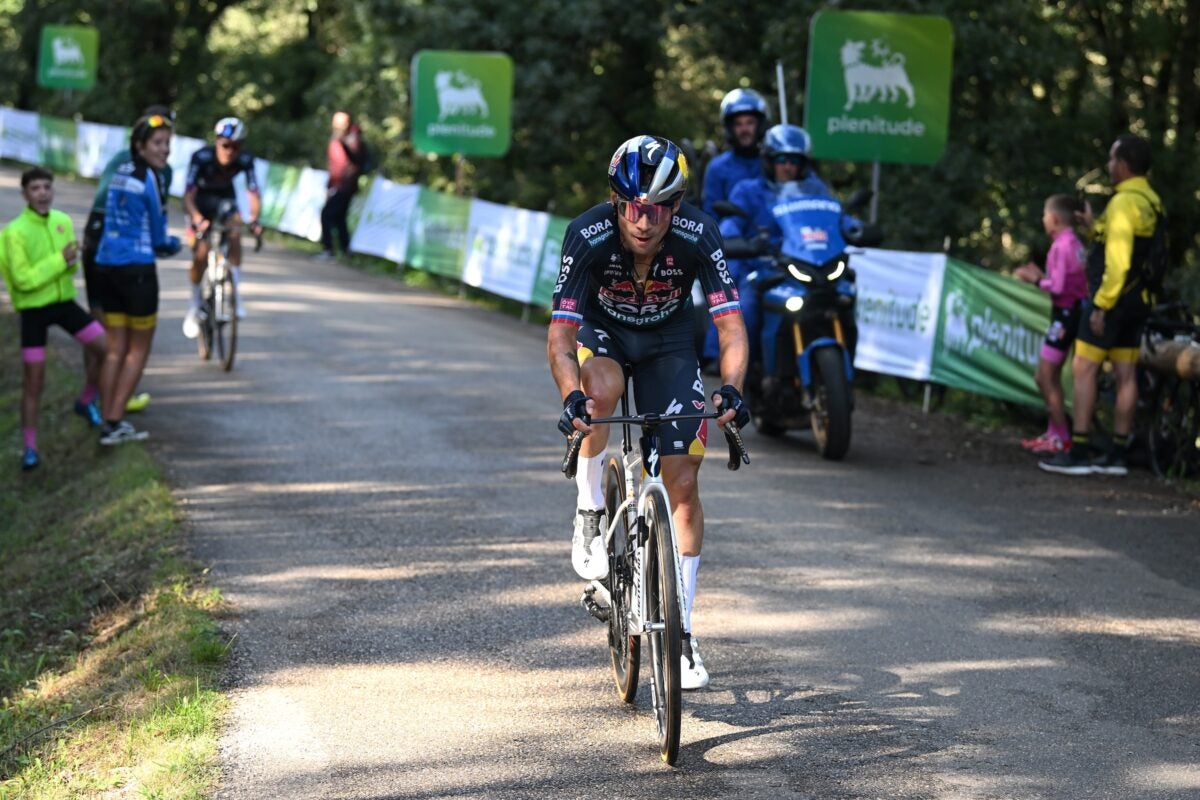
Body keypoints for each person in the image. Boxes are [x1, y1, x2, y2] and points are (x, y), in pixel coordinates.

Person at [548, 134, 750, 690]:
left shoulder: (697, 235)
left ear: (676, 207)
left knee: (683, 478)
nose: (645, 222)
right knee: (601, 389)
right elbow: (561, 336)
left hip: (669, 344)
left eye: (658, 209)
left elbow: (730, 327)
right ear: (617, 202)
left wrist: (731, 388)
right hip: (604, 335)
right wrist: (571, 396)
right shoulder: (587, 235)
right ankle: (590, 508)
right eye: (635, 208)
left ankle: (682, 633)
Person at [1040, 133, 1164, 477]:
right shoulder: (1150, 201)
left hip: (1115, 300)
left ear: (1123, 164)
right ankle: (1118, 455)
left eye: (1111, 160)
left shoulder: (1124, 204)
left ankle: (1079, 450)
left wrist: (1101, 306)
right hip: (1140, 301)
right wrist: (1094, 227)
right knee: (1126, 373)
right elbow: (1119, 246)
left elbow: (1119, 262)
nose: (1108, 166)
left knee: (1084, 368)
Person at [0, 167, 108, 470]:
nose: (43, 193)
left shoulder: (61, 221)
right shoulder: (14, 232)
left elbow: (70, 270)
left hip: (63, 303)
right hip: (33, 311)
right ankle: (29, 448)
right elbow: (23, 280)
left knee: (104, 347)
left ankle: (86, 400)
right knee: (33, 382)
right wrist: (59, 260)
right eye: (35, 188)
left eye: (47, 187)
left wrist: (68, 262)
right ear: (25, 195)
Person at [718, 124, 846, 367]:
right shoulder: (748, 190)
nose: (788, 166)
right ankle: (742, 372)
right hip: (766, 268)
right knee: (746, 309)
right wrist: (732, 239)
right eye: (782, 159)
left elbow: (837, 216)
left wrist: (853, 228)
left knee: (846, 293)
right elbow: (731, 223)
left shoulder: (817, 189)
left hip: (810, 266)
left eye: (795, 160)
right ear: (769, 161)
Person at [81, 104, 175, 415]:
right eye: (158, 143)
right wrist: (173, 244)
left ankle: (105, 414)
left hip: (107, 266)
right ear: (140, 145)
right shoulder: (153, 178)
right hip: (137, 271)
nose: (165, 151)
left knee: (114, 349)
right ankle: (114, 418)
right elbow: (160, 237)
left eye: (167, 143)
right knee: (138, 350)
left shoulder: (119, 171)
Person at [698, 88, 771, 366]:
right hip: (734, 247)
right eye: (739, 123)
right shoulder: (718, 167)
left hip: (772, 245)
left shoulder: (774, 161)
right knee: (733, 287)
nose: (745, 129)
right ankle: (722, 355)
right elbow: (710, 216)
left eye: (750, 122)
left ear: (760, 124)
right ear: (730, 127)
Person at [1013, 194, 1088, 454]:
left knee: (1044, 376)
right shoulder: (1075, 243)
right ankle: (1054, 433)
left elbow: (1056, 287)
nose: (1043, 220)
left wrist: (1033, 280)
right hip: (1073, 313)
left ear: (1054, 219)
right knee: (1051, 376)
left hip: (1065, 316)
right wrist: (1042, 276)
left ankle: (1061, 437)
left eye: (1045, 215)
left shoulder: (1060, 246)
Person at [181, 117, 261, 337]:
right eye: (225, 145)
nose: (230, 151)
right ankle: (194, 305)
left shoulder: (245, 159)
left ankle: (235, 292)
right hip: (201, 203)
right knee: (201, 253)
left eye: (236, 147)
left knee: (235, 232)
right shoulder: (201, 158)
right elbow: (187, 195)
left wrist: (255, 219)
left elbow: (253, 192)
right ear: (217, 142)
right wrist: (196, 217)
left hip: (225, 202)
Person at [315, 111, 366, 261]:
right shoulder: (337, 138)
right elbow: (334, 165)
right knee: (339, 219)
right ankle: (345, 250)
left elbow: (354, 160)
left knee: (327, 215)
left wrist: (344, 143)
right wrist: (329, 185)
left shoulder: (352, 139)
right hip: (337, 184)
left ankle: (329, 250)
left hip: (344, 186)